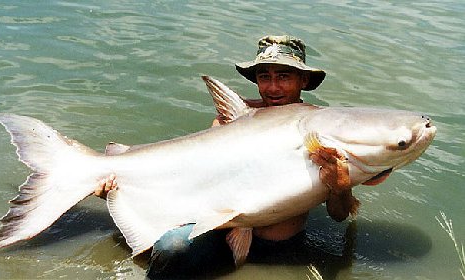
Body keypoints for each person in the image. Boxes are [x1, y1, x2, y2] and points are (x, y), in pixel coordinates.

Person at [95, 35, 329, 278]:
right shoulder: (230, 119)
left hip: (277, 248)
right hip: (219, 231)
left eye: (283, 76)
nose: (272, 87)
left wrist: (340, 181)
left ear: (303, 79)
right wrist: (117, 191)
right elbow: (193, 181)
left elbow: (339, 213)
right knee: (172, 246)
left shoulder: (321, 126)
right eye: (264, 76)